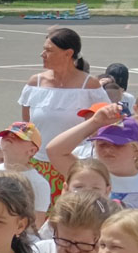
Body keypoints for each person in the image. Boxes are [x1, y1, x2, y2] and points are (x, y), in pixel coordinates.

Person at [19, 27, 109, 199]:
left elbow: (104, 126)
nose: (42, 54)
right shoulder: (35, 83)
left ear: (68, 54)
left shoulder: (90, 86)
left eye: (49, 50)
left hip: (74, 166)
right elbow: (27, 127)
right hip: (38, 165)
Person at [46, 105, 138, 210]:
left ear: (136, 150)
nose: (108, 150)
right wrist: (95, 122)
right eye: (102, 144)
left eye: (118, 144)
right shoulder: (87, 174)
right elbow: (54, 151)